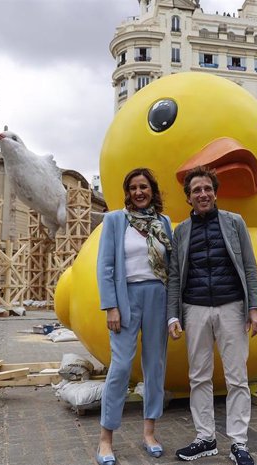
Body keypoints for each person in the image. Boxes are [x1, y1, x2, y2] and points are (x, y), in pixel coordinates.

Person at [167, 166, 257, 465]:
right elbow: (173, 276)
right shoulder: (180, 231)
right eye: (196, 190)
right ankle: (205, 438)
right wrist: (173, 316)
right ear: (189, 197)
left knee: (237, 378)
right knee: (199, 377)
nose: (203, 194)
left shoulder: (234, 222)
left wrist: (254, 308)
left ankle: (238, 443)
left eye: (207, 188)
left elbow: (249, 266)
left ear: (215, 192)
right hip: (194, 309)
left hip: (231, 307)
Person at [96, 168, 173, 465]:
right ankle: (105, 440)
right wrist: (111, 306)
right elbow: (105, 267)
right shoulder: (115, 220)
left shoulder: (163, 223)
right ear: (127, 193)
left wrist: (173, 312)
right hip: (126, 298)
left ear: (152, 190)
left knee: (155, 365)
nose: (139, 192)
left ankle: (149, 433)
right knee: (120, 367)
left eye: (144, 187)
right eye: (133, 188)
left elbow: (172, 266)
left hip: (158, 296)